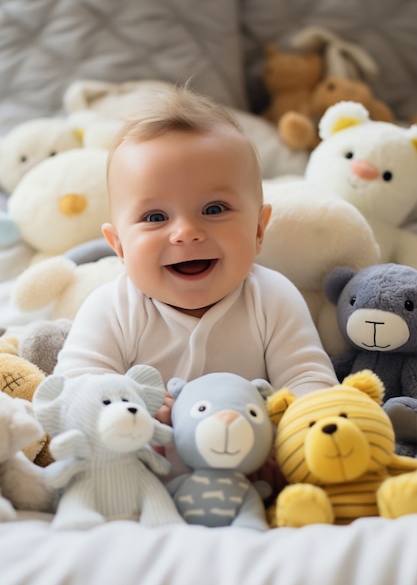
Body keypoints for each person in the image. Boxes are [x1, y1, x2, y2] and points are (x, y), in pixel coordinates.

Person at [54, 85, 338, 490]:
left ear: (259, 230)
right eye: (155, 216)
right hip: (140, 484)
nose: (186, 233)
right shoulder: (112, 307)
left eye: (214, 209)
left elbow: (310, 384)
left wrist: (286, 442)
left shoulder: (272, 298)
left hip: (247, 481)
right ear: (118, 245)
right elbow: (73, 390)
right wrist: (128, 405)